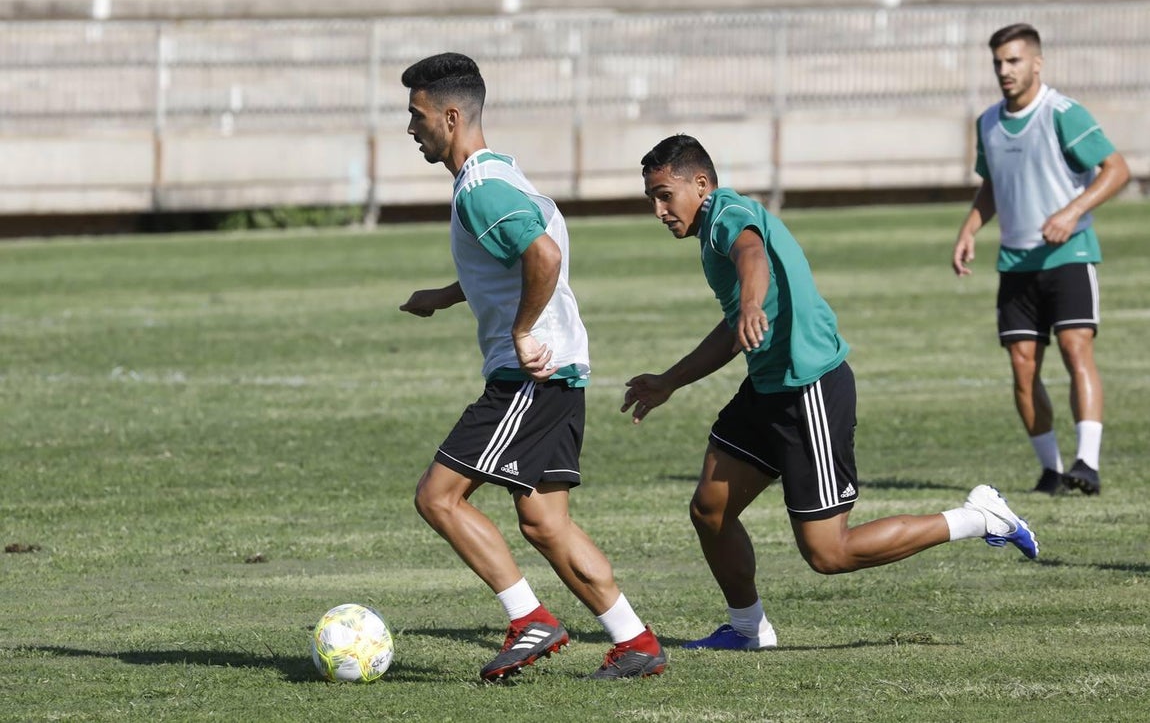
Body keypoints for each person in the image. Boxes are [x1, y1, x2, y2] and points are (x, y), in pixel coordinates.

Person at [624, 134, 1038, 651]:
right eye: (651, 199)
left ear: (701, 184)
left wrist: (752, 303)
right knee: (710, 509)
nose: (659, 210)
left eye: (665, 195)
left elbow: (751, 252)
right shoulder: (709, 232)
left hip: (809, 389)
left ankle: (980, 517)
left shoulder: (726, 213)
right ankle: (749, 629)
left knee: (828, 553)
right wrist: (670, 381)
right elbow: (736, 328)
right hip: (768, 390)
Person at [398, 52, 665, 681]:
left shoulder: (483, 189)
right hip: (560, 371)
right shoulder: (502, 176)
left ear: (451, 116)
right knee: (545, 522)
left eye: (416, 116)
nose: (411, 129)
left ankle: (529, 620)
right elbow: (513, 258)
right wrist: (445, 295)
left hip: (530, 375)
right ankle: (636, 643)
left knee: (439, 498)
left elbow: (540, 255)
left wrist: (520, 332)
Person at [952, 23, 1130, 496]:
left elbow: (1118, 169)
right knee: (1022, 365)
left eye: (1013, 61)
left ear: (1036, 62)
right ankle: (1052, 471)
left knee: (1076, 350)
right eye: (997, 63)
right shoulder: (988, 121)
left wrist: (1073, 212)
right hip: (1016, 264)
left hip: (1069, 256)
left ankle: (1086, 464)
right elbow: (991, 184)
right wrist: (970, 229)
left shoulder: (1061, 113)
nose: (1004, 71)